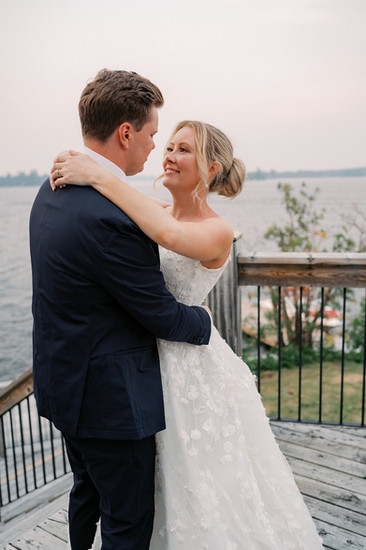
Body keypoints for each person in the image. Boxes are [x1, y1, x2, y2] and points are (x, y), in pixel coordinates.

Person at [50, 120, 324, 549]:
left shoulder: (217, 230)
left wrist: (99, 174)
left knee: (203, 479)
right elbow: (140, 212)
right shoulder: (156, 209)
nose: (169, 156)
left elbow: (168, 236)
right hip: (142, 361)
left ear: (211, 169)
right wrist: (86, 170)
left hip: (191, 366)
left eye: (183, 150)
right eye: (169, 147)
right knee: (148, 485)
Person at [29, 70, 212, 550]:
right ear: (126, 132)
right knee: (127, 522)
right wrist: (207, 323)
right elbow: (163, 316)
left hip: (64, 383)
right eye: (153, 134)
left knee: (85, 492)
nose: (156, 147)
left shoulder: (51, 189)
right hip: (110, 402)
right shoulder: (112, 219)